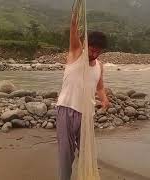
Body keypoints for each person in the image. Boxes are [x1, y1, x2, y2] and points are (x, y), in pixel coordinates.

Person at [56, 9, 109, 180]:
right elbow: (73, 28)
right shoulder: (76, 52)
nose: (94, 55)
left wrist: (104, 99)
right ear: (86, 44)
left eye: (98, 52)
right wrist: (76, 14)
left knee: (86, 153)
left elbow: (99, 87)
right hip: (67, 110)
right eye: (92, 50)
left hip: (87, 116)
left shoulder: (99, 66)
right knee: (66, 154)